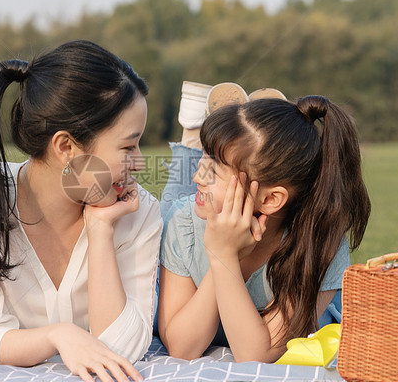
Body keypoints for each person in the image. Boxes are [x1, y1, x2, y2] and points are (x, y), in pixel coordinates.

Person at [0, 40, 162, 382]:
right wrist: (59, 336)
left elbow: (124, 348)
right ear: (67, 147)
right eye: (129, 146)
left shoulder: (138, 211)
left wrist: (100, 229)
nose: (141, 162)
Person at [156, 82, 370, 363]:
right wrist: (219, 252)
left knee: (189, 189)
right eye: (205, 162)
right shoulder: (183, 222)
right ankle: (194, 137)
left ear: (270, 200)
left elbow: (256, 354)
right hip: (194, 212)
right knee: (173, 198)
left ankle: (203, 138)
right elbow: (182, 349)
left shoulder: (317, 243)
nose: (199, 176)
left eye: (215, 171)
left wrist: (223, 256)